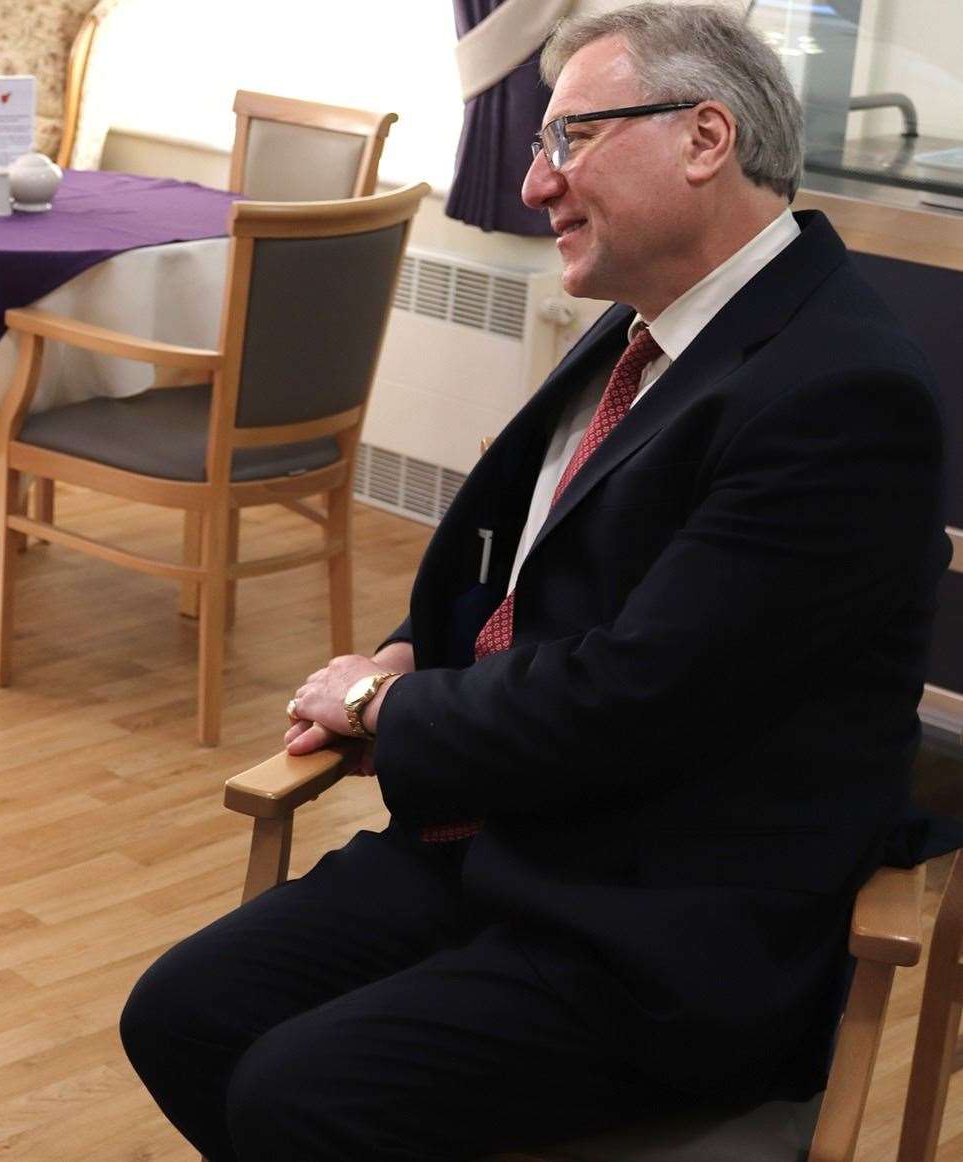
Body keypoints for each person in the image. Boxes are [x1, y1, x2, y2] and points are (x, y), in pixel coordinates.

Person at [120, 5, 949, 1158]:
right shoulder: (657, 322)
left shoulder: (841, 392)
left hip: (656, 920)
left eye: (568, 140)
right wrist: (417, 648)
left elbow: (635, 695)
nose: (531, 184)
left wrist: (382, 706)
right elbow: (524, 565)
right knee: (180, 1015)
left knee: (298, 1096)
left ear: (705, 138)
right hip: (515, 836)